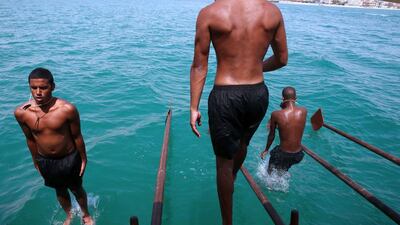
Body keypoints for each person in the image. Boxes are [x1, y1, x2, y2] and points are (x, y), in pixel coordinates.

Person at [189, 0, 288, 224]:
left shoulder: (210, 13)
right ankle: (232, 177)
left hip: (226, 96)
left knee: (223, 162)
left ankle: (227, 221)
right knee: (242, 144)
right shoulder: (271, 11)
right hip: (258, 94)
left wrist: (194, 107)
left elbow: (199, 65)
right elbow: (282, 59)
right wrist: (254, 65)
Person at [14, 68, 94, 225]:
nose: (38, 92)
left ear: (53, 87)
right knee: (60, 190)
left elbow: (77, 136)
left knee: (77, 189)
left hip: (69, 158)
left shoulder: (67, 109)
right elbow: (30, 139)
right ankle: (69, 215)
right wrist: (35, 160)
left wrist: (83, 158)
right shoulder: (22, 113)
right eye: (33, 87)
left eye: (43, 88)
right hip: (46, 160)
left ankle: (86, 215)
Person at [260, 87, 307, 174]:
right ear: (296, 98)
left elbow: (271, 135)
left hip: (283, 154)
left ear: (282, 98)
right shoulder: (304, 111)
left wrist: (266, 150)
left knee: (269, 173)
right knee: (282, 170)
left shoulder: (276, 114)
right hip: (298, 155)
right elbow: (291, 120)